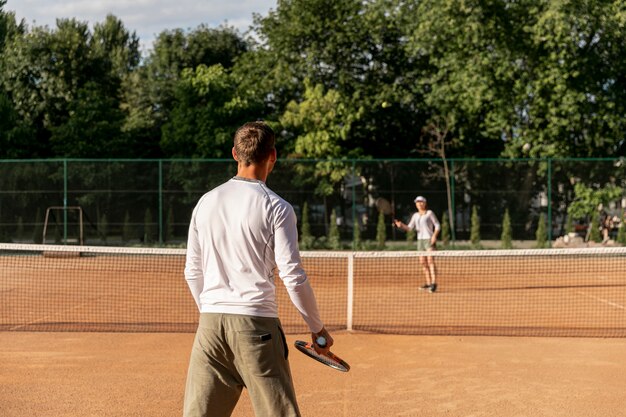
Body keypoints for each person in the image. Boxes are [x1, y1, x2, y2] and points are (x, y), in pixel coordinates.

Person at [183, 121, 333, 417]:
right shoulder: (277, 207)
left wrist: (212, 309)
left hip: (210, 327)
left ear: (235, 154)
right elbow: (292, 275)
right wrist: (318, 330)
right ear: (273, 156)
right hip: (256, 326)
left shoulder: (205, 202)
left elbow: (192, 271)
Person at [393, 196, 441, 293]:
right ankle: (428, 283)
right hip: (420, 241)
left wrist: (434, 236)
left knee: (430, 261)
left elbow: (437, 225)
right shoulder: (415, 215)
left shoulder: (429, 213)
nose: (419, 204)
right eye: (417, 202)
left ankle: (433, 283)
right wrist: (401, 225)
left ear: (425, 203)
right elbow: (410, 228)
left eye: (421, 202)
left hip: (429, 239)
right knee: (423, 262)